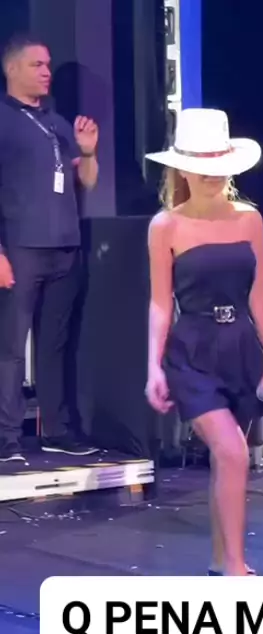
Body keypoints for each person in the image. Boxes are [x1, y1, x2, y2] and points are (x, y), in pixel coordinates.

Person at [145, 108, 263, 577]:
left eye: (218, 164)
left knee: (230, 461)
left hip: (241, 348)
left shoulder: (249, 220)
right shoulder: (166, 226)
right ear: (182, 169)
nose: (211, 174)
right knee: (232, 452)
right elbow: (160, 302)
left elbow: (260, 294)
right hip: (193, 352)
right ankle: (237, 571)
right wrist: (153, 367)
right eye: (201, 166)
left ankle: (221, 564)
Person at [0, 35, 99, 462]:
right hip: (20, 247)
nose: (46, 72)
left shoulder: (57, 123)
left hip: (65, 247)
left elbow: (85, 181)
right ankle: (6, 439)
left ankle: (57, 431)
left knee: (54, 346)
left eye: (48, 65)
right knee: (10, 348)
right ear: (12, 69)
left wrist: (89, 153)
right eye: (37, 65)